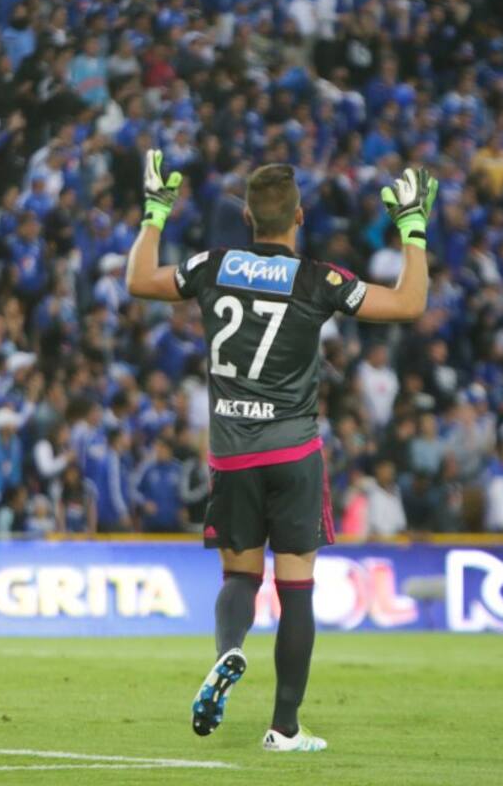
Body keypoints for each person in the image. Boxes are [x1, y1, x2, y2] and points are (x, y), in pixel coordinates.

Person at [125, 151, 436, 751]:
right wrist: (413, 228)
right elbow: (409, 303)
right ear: (299, 215)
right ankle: (284, 728)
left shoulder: (211, 266)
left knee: (239, 577)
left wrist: (154, 213)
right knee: (297, 590)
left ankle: (230, 652)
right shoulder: (318, 278)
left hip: (231, 454)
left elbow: (139, 280)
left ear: (246, 215)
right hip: (293, 453)